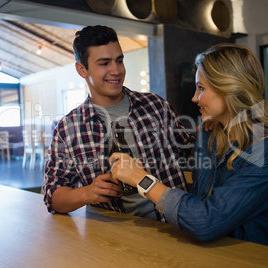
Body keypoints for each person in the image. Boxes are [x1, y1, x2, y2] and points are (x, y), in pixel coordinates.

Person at [110, 43, 268, 249]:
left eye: (201, 88)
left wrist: (142, 180)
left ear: (229, 88)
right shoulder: (209, 136)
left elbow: (205, 222)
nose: (194, 98)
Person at [43, 25, 195, 222]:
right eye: (104, 63)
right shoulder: (68, 128)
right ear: (82, 69)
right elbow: (52, 197)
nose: (116, 70)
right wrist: (87, 193)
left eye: (119, 61)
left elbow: (190, 152)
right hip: (114, 240)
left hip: (174, 228)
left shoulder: (157, 106)